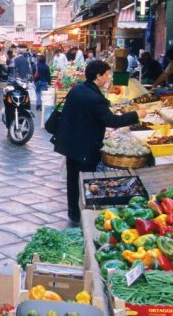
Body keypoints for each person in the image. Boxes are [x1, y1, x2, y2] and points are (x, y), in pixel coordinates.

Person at [54, 60, 146, 225]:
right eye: (106, 74)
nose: (108, 77)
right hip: (84, 147)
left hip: (71, 143)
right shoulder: (95, 98)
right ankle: (86, 213)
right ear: (98, 76)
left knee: (73, 178)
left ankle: (73, 211)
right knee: (87, 179)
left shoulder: (79, 89)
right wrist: (136, 114)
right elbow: (111, 120)